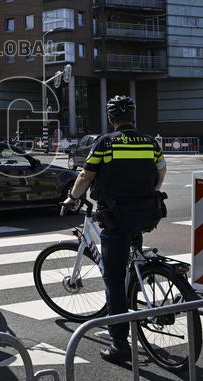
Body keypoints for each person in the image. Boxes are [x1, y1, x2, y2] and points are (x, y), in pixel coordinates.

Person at [61, 95, 167, 365]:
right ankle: (140, 284)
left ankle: (120, 344)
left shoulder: (106, 143)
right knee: (133, 253)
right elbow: (161, 169)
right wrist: (150, 192)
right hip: (147, 213)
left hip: (117, 217)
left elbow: (86, 175)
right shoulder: (149, 142)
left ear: (111, 119)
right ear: (133, 116)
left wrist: (72, 199)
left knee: (113, 278)